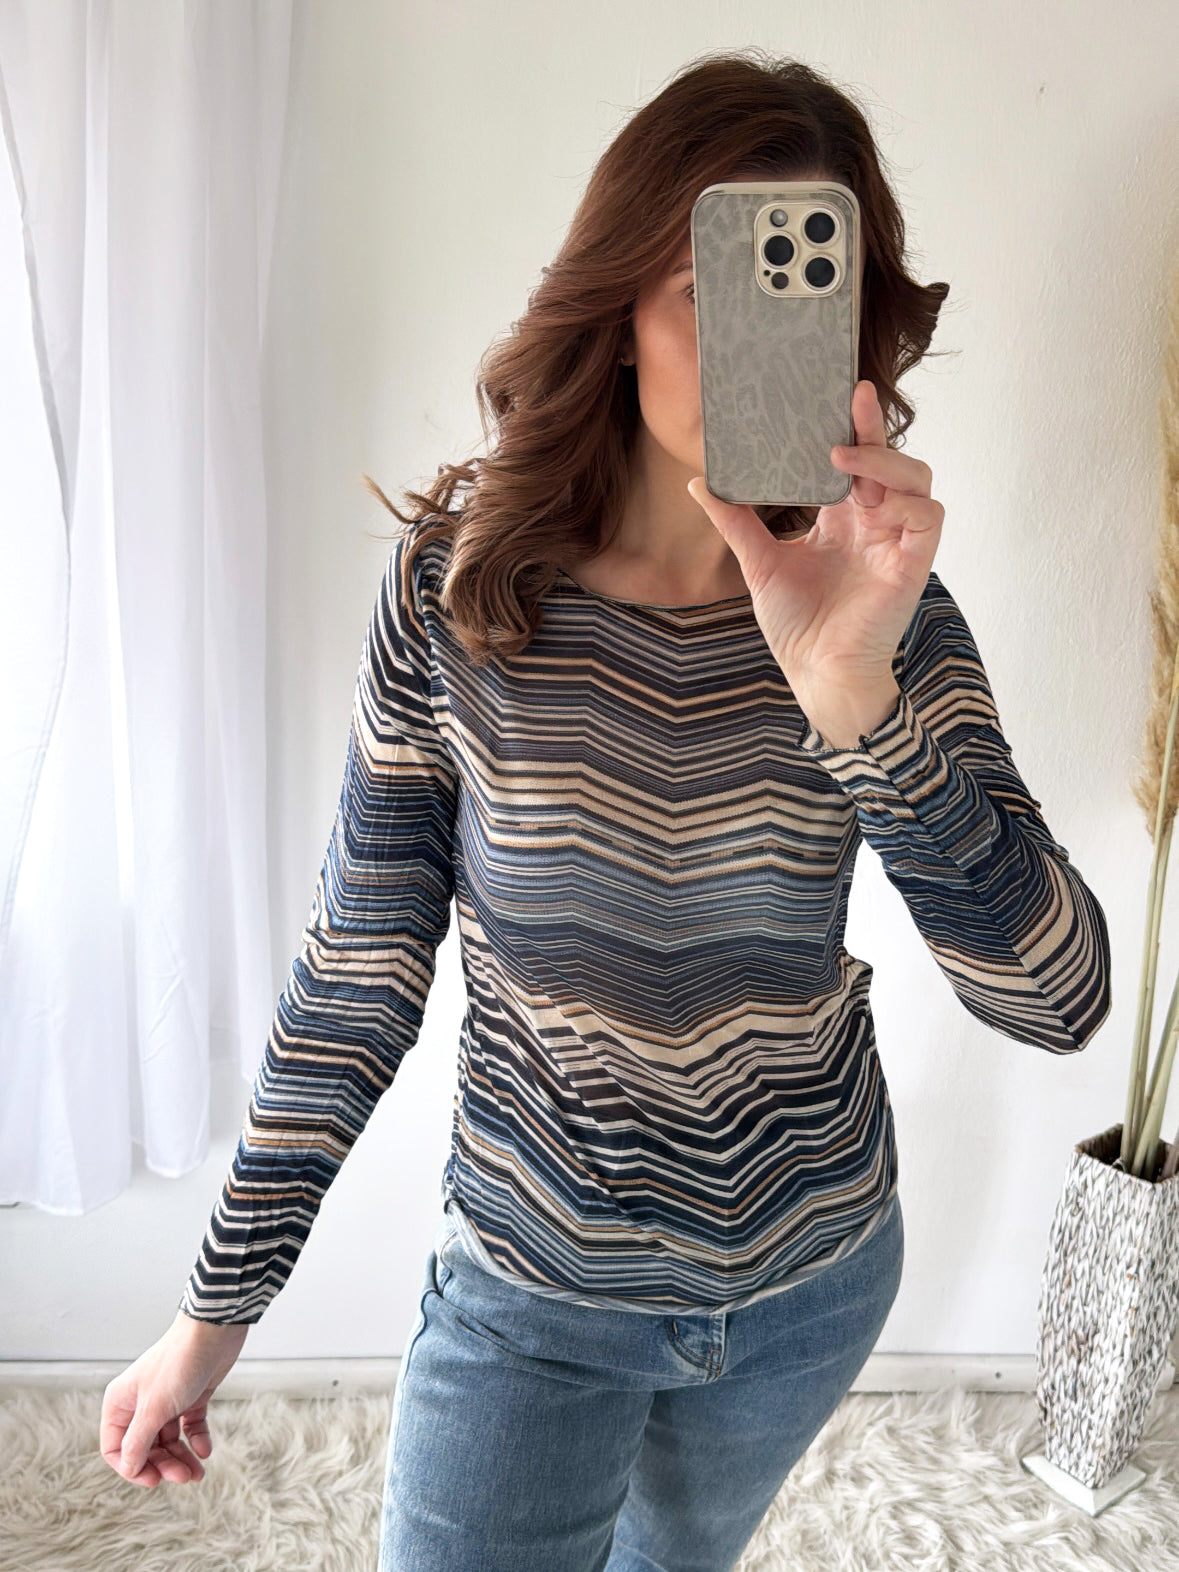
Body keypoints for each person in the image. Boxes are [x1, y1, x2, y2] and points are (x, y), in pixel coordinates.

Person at [99, 48, 1112, 1571]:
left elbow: (1061, 1001)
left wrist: (856, 703)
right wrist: (214, 1312)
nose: (761, 336)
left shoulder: (882, 617)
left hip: (811, 1282)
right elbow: (359, 972)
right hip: (533, 1293)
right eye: (714, 289)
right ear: (620, 305)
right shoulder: (463, 591)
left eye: (808, 293)